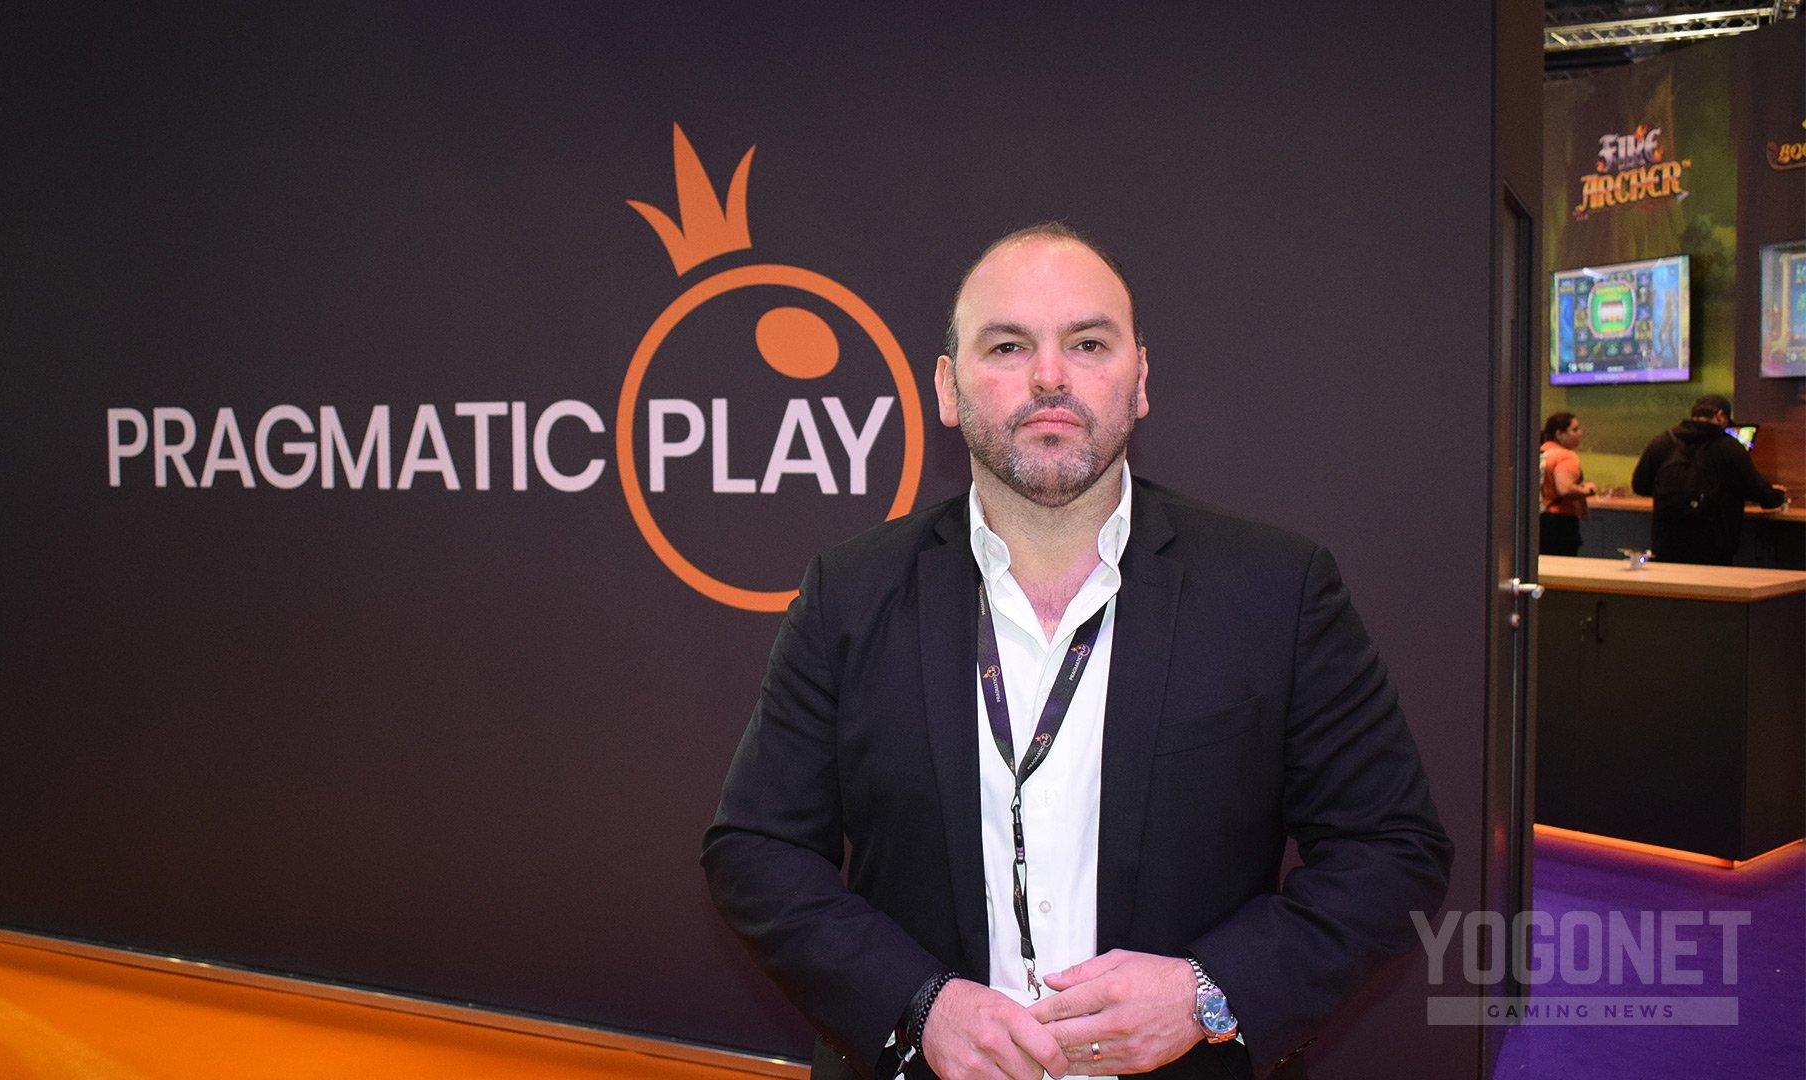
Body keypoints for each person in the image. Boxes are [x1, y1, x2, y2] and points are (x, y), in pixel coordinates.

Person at [702, 222, 1452, 1080]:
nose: (1050, 376)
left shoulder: (1277, 590)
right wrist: (917, 1006)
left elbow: (1391, 848)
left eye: (1088, 343)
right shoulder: (849, 591)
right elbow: (755, 850)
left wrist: (1208, 994)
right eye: (1008, 346)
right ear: (947, 387)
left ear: (1140, 380)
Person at [1630, 394, 1787, 565]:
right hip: (1713, 545)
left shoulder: (1663, 442)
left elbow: (1639, 485)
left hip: (1666, 542)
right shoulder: (1729, 447)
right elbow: (1758, 491)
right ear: (1720, 416)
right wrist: (1778, 495)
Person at [1538, 412, 1597, 556]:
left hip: (1538, 519)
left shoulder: (1539, 453)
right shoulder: (1566, 456)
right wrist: (1588, 490)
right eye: (1575, 429)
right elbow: (1565, 488)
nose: (1580, 433)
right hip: (1560, 522)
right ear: (1559, 433)